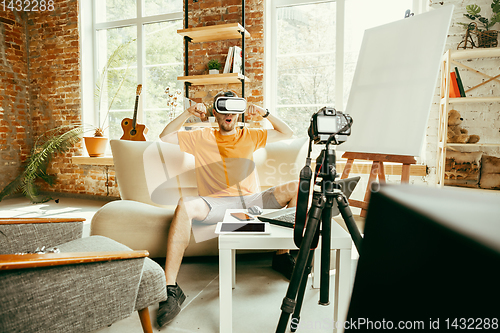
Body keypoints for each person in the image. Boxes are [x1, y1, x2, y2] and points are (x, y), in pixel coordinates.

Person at [157, 91, 299, 327]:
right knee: (184, 204)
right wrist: (187, 113)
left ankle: (282, 257)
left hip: (253, 200)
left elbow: (288, 132)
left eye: (234, 108)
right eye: (223, 108)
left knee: (296, 187)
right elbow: (166, 136)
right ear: (216, 113)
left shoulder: (250, 135)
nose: (228, 113)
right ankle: (170, 289)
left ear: (239, 111)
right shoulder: (201, 136)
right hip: (216, 204)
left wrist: (265, 113)